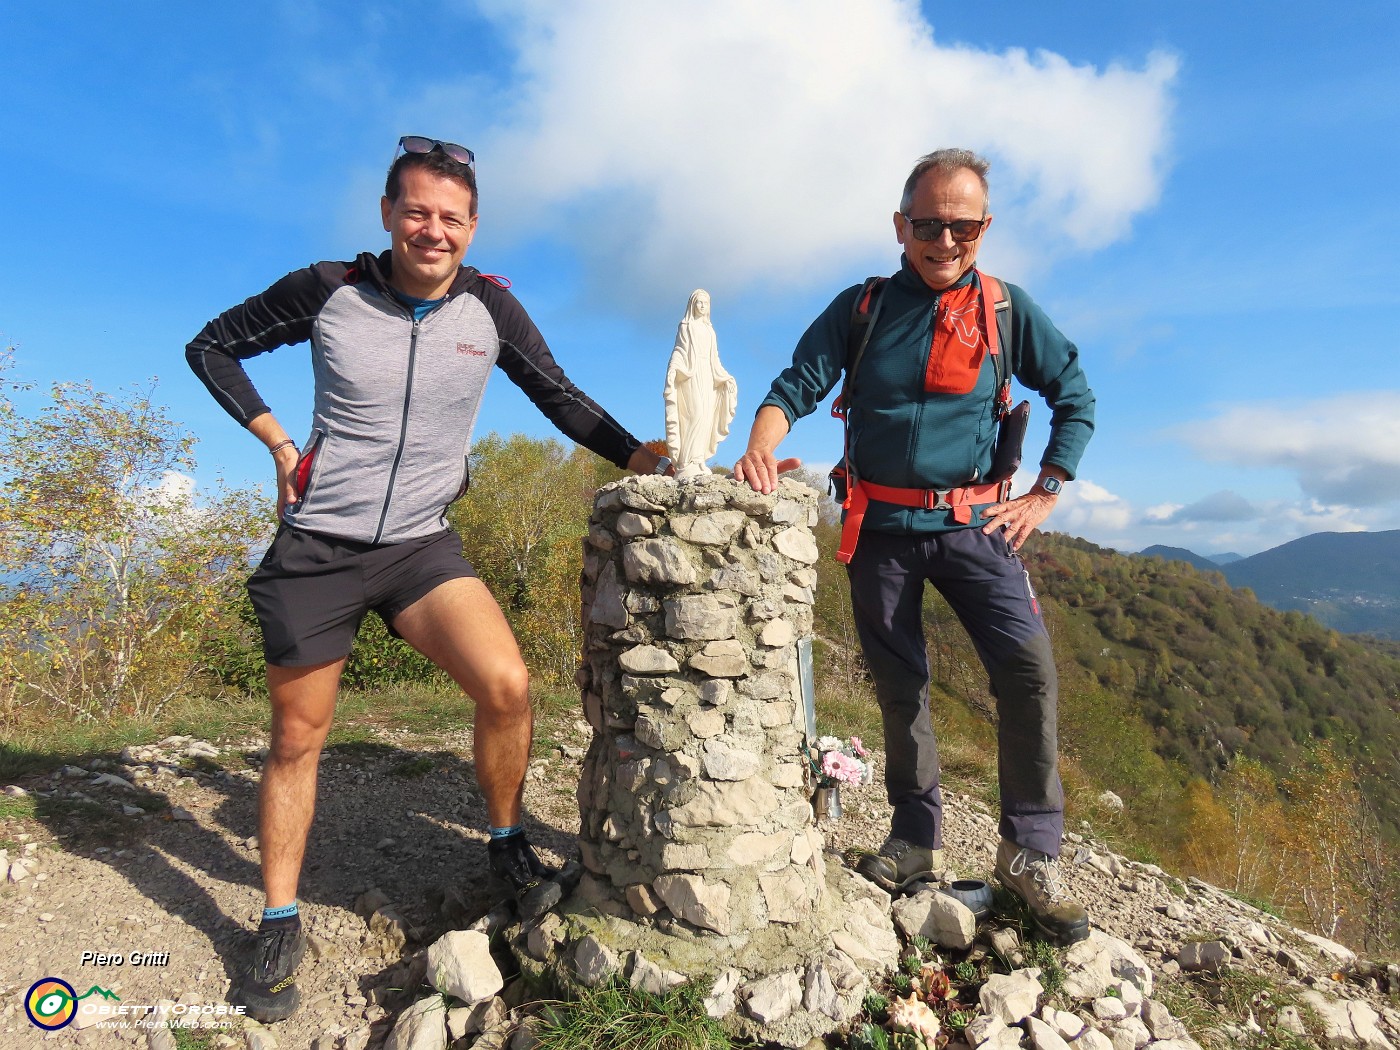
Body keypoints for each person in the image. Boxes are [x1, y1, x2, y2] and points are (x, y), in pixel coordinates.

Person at [186, 136, 669, 1022]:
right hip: (319, 547)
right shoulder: (328, 289)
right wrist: (280, 442)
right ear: (386, 215)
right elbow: (211, 347)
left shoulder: (489, 309)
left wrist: (642, 454)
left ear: (473, 228)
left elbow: (558, 395)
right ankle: (278, 917)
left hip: (419, 544)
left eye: (451, 218)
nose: (432, 230)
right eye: (416, 211)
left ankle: (506, 841)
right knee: (298, 737)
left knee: (507, 684)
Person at [733, 148, 1095, 944]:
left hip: (977, 527)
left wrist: (1045, 491)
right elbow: (795, 384)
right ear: (900, 225)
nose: (944, 239)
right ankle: (915, 840)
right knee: (902, 687)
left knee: (1029, 674)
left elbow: (1075, 393)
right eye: (927, 223)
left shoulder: (1006, 310)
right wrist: (761, 445)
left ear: (984, 227)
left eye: (962, 225)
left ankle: (1030, 856)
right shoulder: (862, 308)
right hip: (880, 528)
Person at [664, 289, 737, 477]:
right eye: (699, 302)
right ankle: (686, 461)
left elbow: (715, 358)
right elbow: (679, 350)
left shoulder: (709, 331)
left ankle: (698, 460)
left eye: (706, 302)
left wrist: (724, 377)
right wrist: (673, 369)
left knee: (706, 417)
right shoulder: (686, 326)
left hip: (708, 376)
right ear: (692, 304)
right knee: (693, 415)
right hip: (691, 375)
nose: (702, 306)